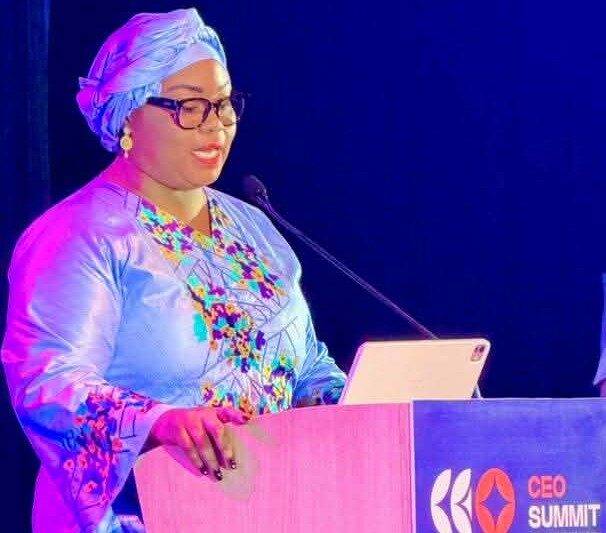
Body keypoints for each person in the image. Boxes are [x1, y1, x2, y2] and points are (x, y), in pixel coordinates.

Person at [1, 8, 346, 532]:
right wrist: (157, 422)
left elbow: (304, 365)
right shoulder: (79, 235)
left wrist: (357, 400)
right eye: (189, 105)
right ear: (128, 116)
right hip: (140, 514)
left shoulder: (253, 227)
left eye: (223, 103)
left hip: (266, 508)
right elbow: (49, 381)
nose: (215, 124)